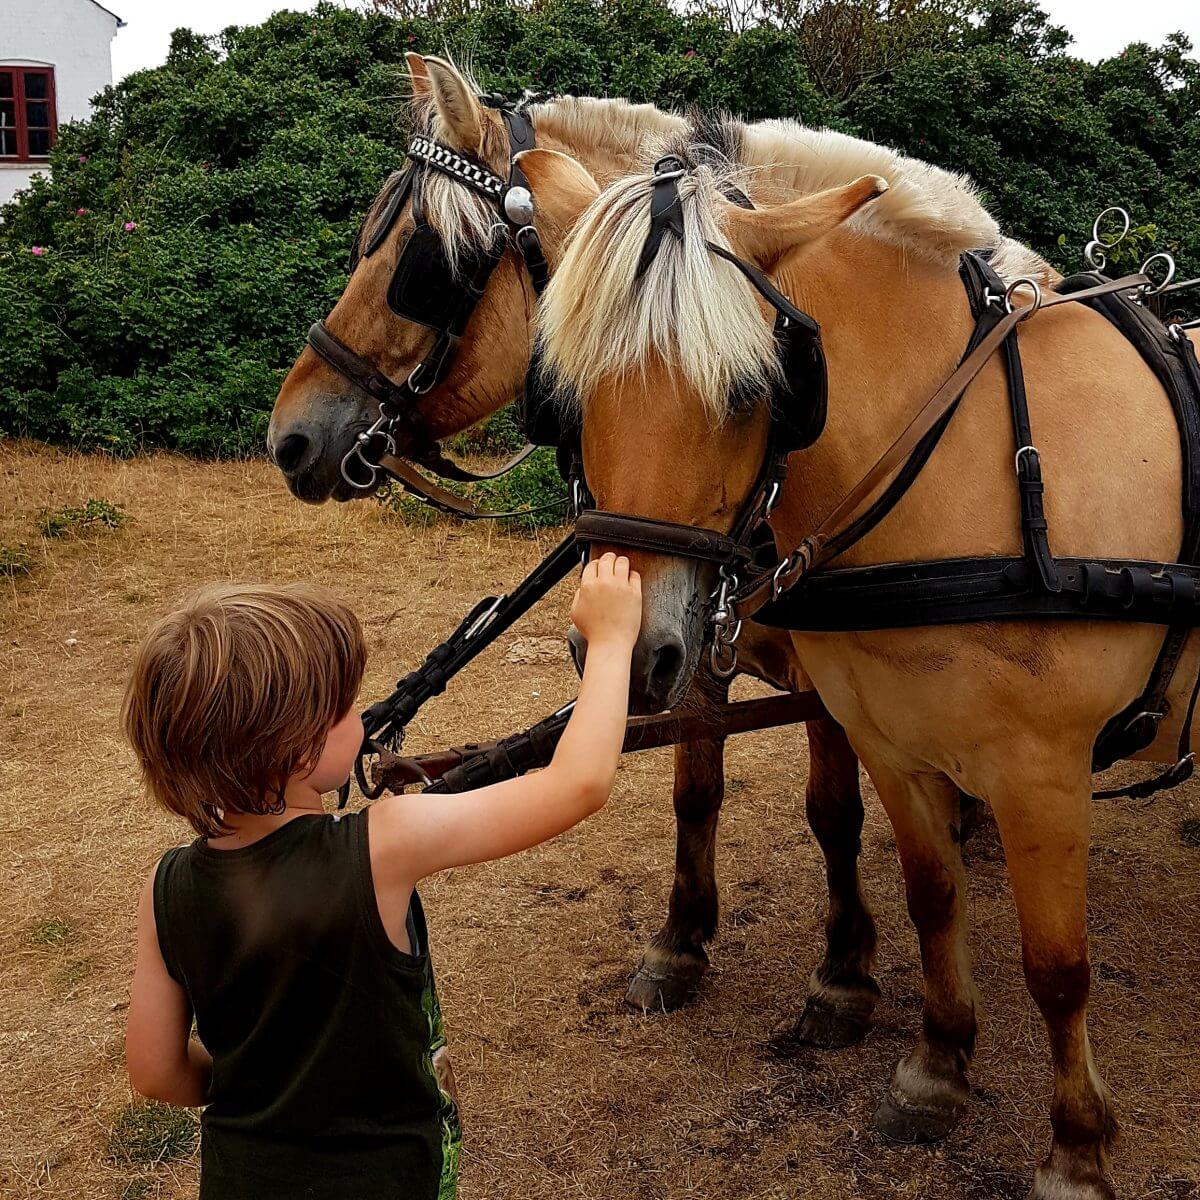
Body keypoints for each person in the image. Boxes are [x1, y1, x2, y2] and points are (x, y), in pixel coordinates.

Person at [121, 554, 641, 1200]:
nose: (362, 716)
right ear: (299, 748)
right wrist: (613, 640)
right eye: (344, 707)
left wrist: (265, 1085)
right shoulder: (383, 844)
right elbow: (577, 785)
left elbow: (154, 1070)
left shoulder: (165, 887)